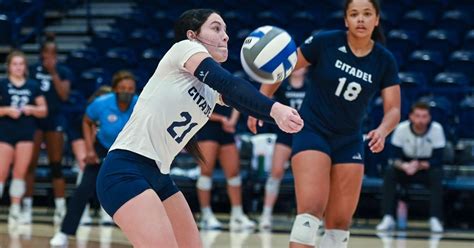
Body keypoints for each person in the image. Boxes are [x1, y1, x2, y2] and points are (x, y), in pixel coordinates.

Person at [96, 9, 303, 247]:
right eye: (216, 28)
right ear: (192, 35)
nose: (225, 36)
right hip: (125, 170)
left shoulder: (209, 89)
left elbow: (242, 99)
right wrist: (275, 110)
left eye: (225, 30)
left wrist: (272, 113)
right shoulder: (183, 49)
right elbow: (229, 83)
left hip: (160, 176)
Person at [248, 0, 400, 247]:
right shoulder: (325, 41)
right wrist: (261, 103)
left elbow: (393, 109)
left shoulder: (384, 60)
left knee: (339, 226)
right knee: (310, 211)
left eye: (366, 14)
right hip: (312, 131)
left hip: (350, 140)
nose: (360, 19)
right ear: (345, 20)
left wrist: (383, 130)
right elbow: (284, 67)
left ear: (377, 19)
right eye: (354, 14)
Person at [50, 71, 138, 246]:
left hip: (127, 149)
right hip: (102, 147)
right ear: (114, 90)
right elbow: (87, 121)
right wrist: (89, 149)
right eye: (122, 88)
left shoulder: (140, 104)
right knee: (84, 189)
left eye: (130, 89)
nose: (126, 92)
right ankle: (64, 234)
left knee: (140, 192)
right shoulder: (101, 103)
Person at [23, 34, 74, 225]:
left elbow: (63, 95)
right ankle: (26, 207)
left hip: (55, 118)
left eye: (53, 53)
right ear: (41, 54)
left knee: (56, 165)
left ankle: (60, 209)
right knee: (30, 164)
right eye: (46, 53)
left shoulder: (63, 71)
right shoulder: (32, 70)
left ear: (57, 55)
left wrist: (53, 73)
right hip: (35, 120)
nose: (49, 56)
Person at [376, 101, 445, 233]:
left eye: (424, 116)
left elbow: (438, 159)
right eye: (418, 116)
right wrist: (405, 166)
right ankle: (388, 217)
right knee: (390, 173)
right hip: (405, 167)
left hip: (426, 168)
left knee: (437, 175)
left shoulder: (437, 129)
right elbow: (393, 157)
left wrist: (418, 165)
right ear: (411, 117)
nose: (421, 120)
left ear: (429, 117)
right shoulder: (401, 129)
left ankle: (435, 218)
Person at [257, 67, 308, 231]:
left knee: (307, 176)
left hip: (307, 134)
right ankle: (266, 214)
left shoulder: (312, 84)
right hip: (285, 134)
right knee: (276, 172)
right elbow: (266, 100)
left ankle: (310, 217)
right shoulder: (282, 84)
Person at [0, 50, 47, 225]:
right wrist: (6, 110)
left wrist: (32, 109)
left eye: (21, 64)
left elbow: (44, 110)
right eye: (15, 64)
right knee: (1, 172)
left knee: (20, 172)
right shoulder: (3, 84)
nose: (18, 67)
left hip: (26, 133)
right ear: (9, 67)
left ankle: (15, 209)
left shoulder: (33, 86)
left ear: (25, 67)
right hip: (5, 132)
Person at [195, 105, 256, 230]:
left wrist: (232, 120)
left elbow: (235, 99)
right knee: (206, 172)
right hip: (207, 128)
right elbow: (196, 107)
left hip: (227, 128)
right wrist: (221, 119)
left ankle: (237, 214)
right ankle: (206, 215)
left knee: (234, 173)